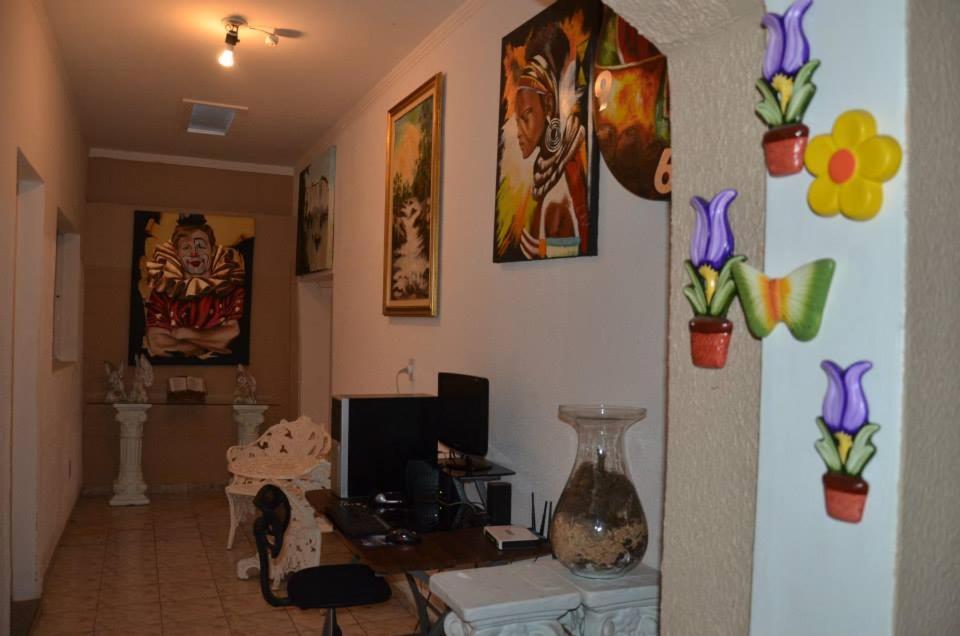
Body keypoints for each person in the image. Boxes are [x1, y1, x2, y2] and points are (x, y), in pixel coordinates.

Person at [514, 22, 589, 259]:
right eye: (517, 121)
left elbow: (580, 244)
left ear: (547, 105)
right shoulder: (544, 178)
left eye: (526, 117)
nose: (518, 132)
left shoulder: (568, 174)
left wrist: (542, 248)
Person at [143, 214, 245, 359]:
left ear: (212, 250)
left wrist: (184, 333)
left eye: (201, 246)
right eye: (186, 247)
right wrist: (209, 345)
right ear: (177, 253)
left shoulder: (229, 288)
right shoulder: (162, 291)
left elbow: (232, 333)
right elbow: (156, 342)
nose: (194, 253)